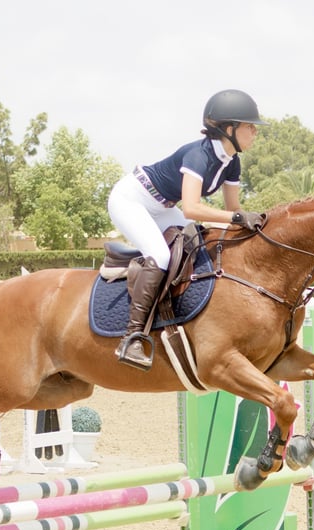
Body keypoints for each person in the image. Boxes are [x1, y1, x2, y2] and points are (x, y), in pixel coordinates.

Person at [107, 89, 267, 370]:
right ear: (229, 129)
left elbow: (233, 210)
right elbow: (192, 208)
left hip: (162, 206)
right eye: (249, 126)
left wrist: (254, 228)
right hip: (131, 199)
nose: (255, 132)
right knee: (162, 255)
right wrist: (238, 218)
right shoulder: (198, 155)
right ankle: (133, 336)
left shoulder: (232, 162)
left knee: (198, 241)